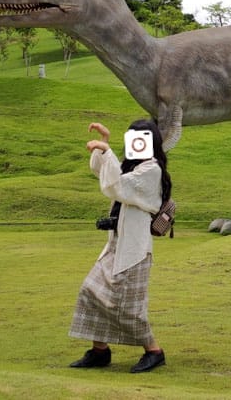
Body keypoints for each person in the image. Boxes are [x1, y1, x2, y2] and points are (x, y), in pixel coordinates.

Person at [69, 118, 171, 374]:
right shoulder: (135, 166)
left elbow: (117, 186)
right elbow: (105, 175)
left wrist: (105, 150)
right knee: (90, 291)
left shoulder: (152, 170)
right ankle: (100, 351)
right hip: (116, 244)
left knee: (127, 305)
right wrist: (104, 145)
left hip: (134, 248)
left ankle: (154, 351)